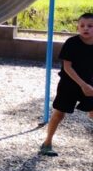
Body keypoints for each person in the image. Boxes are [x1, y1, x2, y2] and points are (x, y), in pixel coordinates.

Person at [39, 13, 93, 157]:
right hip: (69, 84)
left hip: (89, 84)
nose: (85, 28)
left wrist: (89, 86)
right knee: (59, 113)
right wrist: (83, 85)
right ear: (77, 27)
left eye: (90, 26)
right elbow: (67, 67)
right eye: (82, 26)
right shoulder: (71, 43)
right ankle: (47, 143)